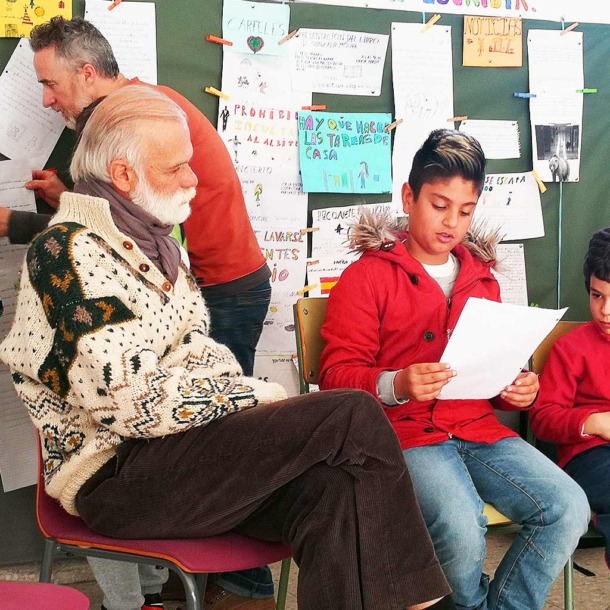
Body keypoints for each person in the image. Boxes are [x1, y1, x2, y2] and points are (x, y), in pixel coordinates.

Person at [0, 84, 455, 610]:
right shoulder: (66, 253)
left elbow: (204, 357)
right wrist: (256, 398)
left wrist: (226, 391)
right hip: (117, 478)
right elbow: (132, 405)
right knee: (352, 413)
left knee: (333, 492)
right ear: (123, 175)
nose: (193, 179)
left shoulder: (161, 247)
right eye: (175, 168)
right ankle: (429, 605)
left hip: (182, 456)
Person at [2, 15, 274, 609]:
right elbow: (114, 236)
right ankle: (171, 587)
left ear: (88, 73)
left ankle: (228, 589)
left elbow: (127, 242)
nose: (47, 100)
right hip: (215, 281)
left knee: (199, 440)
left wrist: (14, 222)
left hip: (218, 287)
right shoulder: (140, 108)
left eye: (51, 83)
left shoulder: (132, 120)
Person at [318, 129, 590, 610]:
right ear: (409, 196)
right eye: (439, 205)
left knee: (569, 508)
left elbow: (490, 374)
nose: (452, 223)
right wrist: (396, 384)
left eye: (465, 211)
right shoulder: (367, 276)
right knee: (463, 525)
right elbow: (337, 376)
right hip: (401, 435)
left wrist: (515, 389)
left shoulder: (482, 279)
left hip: (477, 428)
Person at [529, 227, 610, 568]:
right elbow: (543, 418)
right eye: (597, 296)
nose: (605, 310)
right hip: (589, 456)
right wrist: (593, 422)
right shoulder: (571, 347)